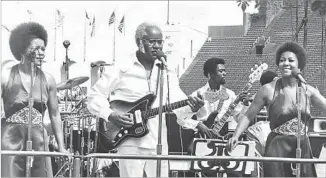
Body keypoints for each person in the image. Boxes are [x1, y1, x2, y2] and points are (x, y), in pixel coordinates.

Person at [87, 22, 206, 177]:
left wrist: (192, 107)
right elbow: (94, 95)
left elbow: (177, 104)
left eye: (159, 42)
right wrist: (110, 115)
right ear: (139, 43)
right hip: (130, 141)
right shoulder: (123, 68)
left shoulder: (166, 71)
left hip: (158, 141)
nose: (156, 46)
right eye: (152, 42)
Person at [227, 41, 326, 177]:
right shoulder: (268, 90)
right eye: (282, 60)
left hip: (302, 146)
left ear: (299, 65)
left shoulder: (308, 90)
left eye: (291, 60)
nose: (286, 63)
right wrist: (236, 135)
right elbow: (248, 116)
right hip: (277, 147)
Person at [1, 22, 66, 177]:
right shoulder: (5, 77)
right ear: (22, 49)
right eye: (36, 48)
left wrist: (61, 146)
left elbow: (55, 114)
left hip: (39, 140)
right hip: (10, 139)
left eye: (43, 49)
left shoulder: (48, 80)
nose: (41, 53)